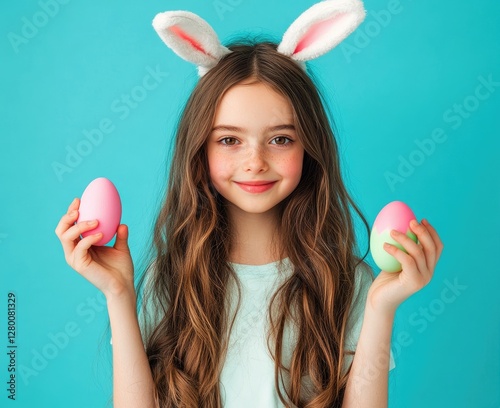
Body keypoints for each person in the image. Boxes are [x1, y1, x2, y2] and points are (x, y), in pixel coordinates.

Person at [54, 2, 444, 407]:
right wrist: (117, 293)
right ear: (200, 150)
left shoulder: (348, 283)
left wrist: (381, 308)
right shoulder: (170, 279)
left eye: (280, 139)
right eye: (229, 140)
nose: (255, 162)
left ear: (309, 148)